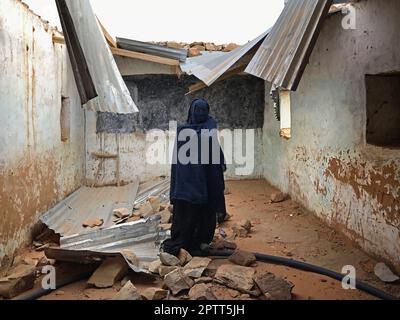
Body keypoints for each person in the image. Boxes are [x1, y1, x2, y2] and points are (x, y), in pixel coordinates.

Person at [162, 99, 227, 256]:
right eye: (198, 110)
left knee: (191, 212)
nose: (200, 113)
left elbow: (213, 156)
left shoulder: (188, 130)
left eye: (202, 110)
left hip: (190, 184)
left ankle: (194, 243)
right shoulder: (208, 128)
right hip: (197, 184)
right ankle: (197, 242)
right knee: (198, 210)